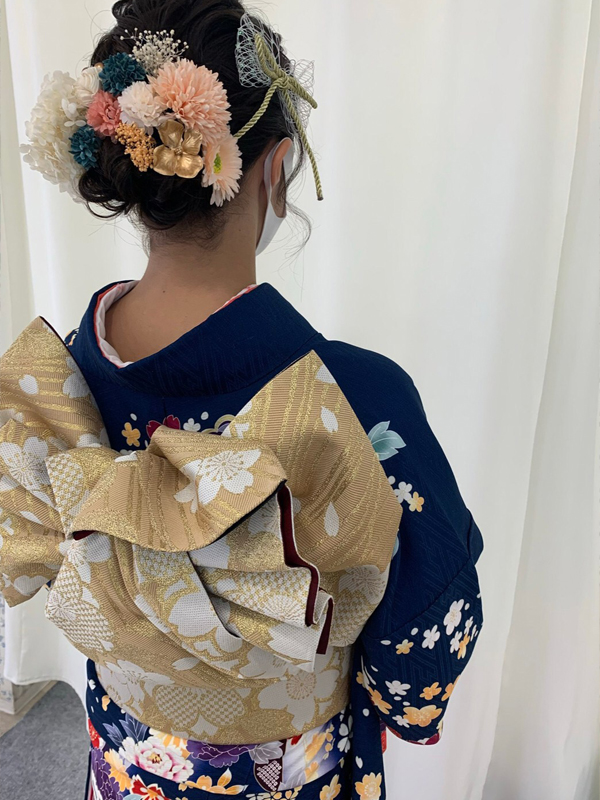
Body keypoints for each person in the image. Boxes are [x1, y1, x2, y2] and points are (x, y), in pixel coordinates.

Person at [0, 1, 485, 798]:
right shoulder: (357, 404)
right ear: (273, 167)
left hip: (125, 765)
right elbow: (419, 658)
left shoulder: (62, 386)